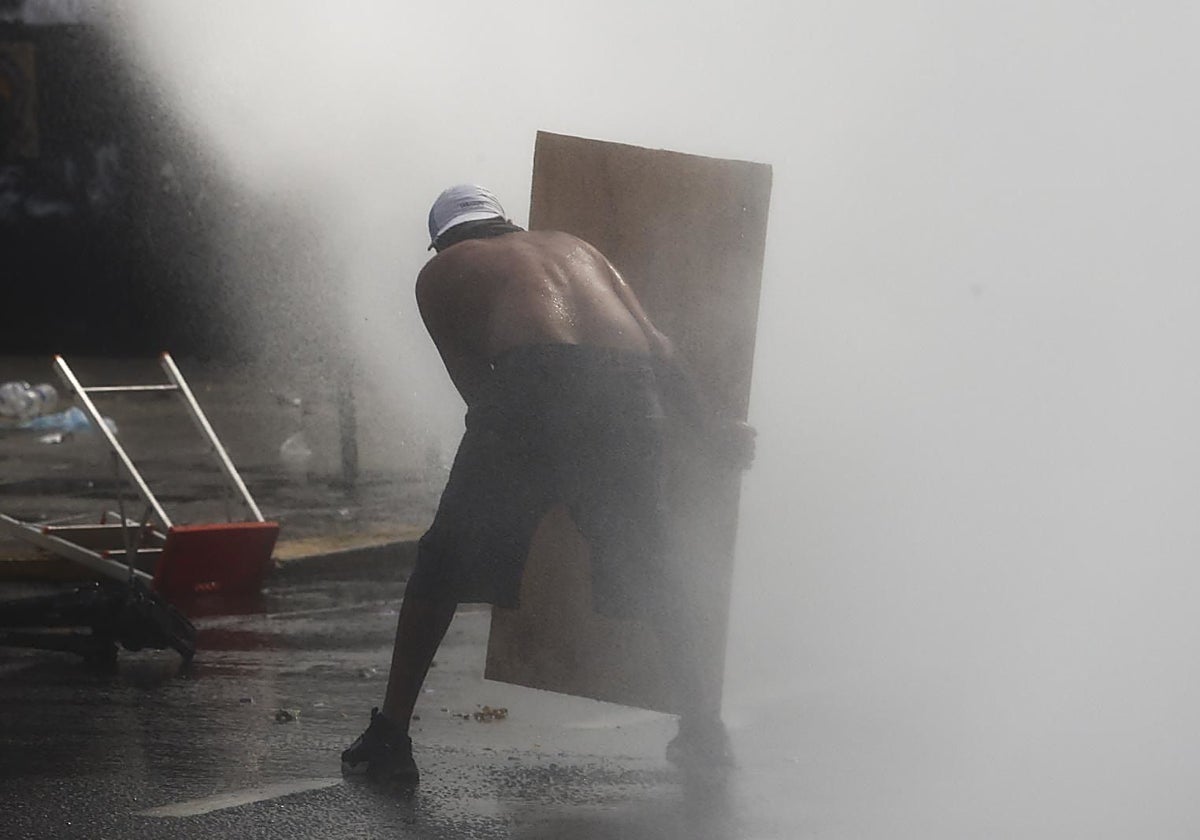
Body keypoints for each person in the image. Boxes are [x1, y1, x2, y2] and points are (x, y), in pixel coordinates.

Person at [341, 184, 753, 786]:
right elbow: (659, 350)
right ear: (506, 222)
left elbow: (478, 392)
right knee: (656, 565)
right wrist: (712, 431)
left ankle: (390, 737)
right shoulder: (578, 247)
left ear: (442, 240)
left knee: (442, 564)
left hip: (531, 386)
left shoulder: (441, 274)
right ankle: (703, 730)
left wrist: (529, 473)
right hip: (629, 394)